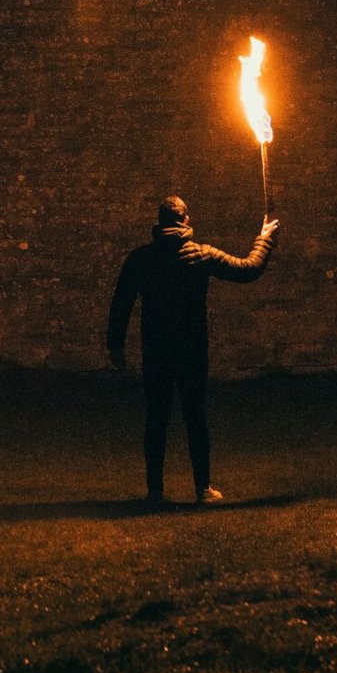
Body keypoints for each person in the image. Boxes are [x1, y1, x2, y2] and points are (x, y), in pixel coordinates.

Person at [106, 195, 280, 507]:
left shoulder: (141, 259)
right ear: (186, 221)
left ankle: (155, 492)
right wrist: (265, 239)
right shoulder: (201, 254)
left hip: (156, 349)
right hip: (191, 349)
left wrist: (115, 347)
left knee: (156, 417)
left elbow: (121, 304)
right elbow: (248, 269)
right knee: (195, 416)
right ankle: (203, 489)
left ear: (160, 223)